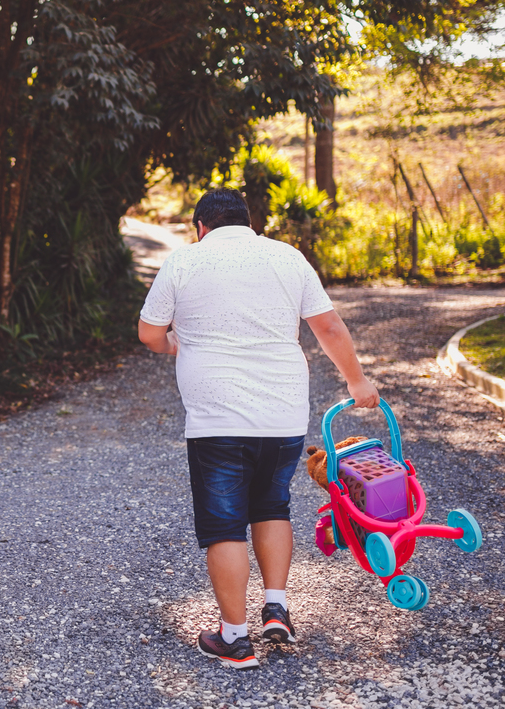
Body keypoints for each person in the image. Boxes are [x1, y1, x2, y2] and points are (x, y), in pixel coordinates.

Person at [137, 188, 378, 670]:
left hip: (217, 419)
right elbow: (328, 327)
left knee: (223, 523)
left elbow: (149, 334)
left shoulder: (185, 261)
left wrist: (182, 344)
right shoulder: (286, 256)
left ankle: (234, 638)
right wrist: (357, 381)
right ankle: (277, 608)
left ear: (200, 227)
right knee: (272, 504)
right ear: (249, 222)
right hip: (283, 412)